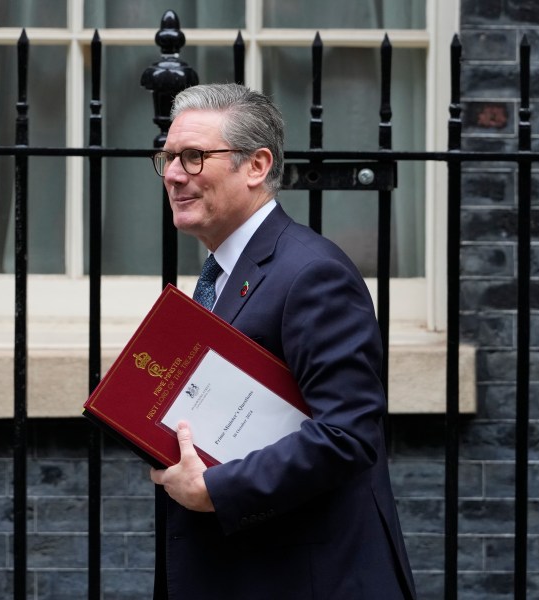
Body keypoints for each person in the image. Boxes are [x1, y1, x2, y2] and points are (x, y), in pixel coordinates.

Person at [148, 83, 417, 600]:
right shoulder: (223, 273)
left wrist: (214, 490)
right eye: (168, 158)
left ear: (256, 166)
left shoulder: (312, 273)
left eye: (194, 156)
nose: (176, 174)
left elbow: (348, 435)